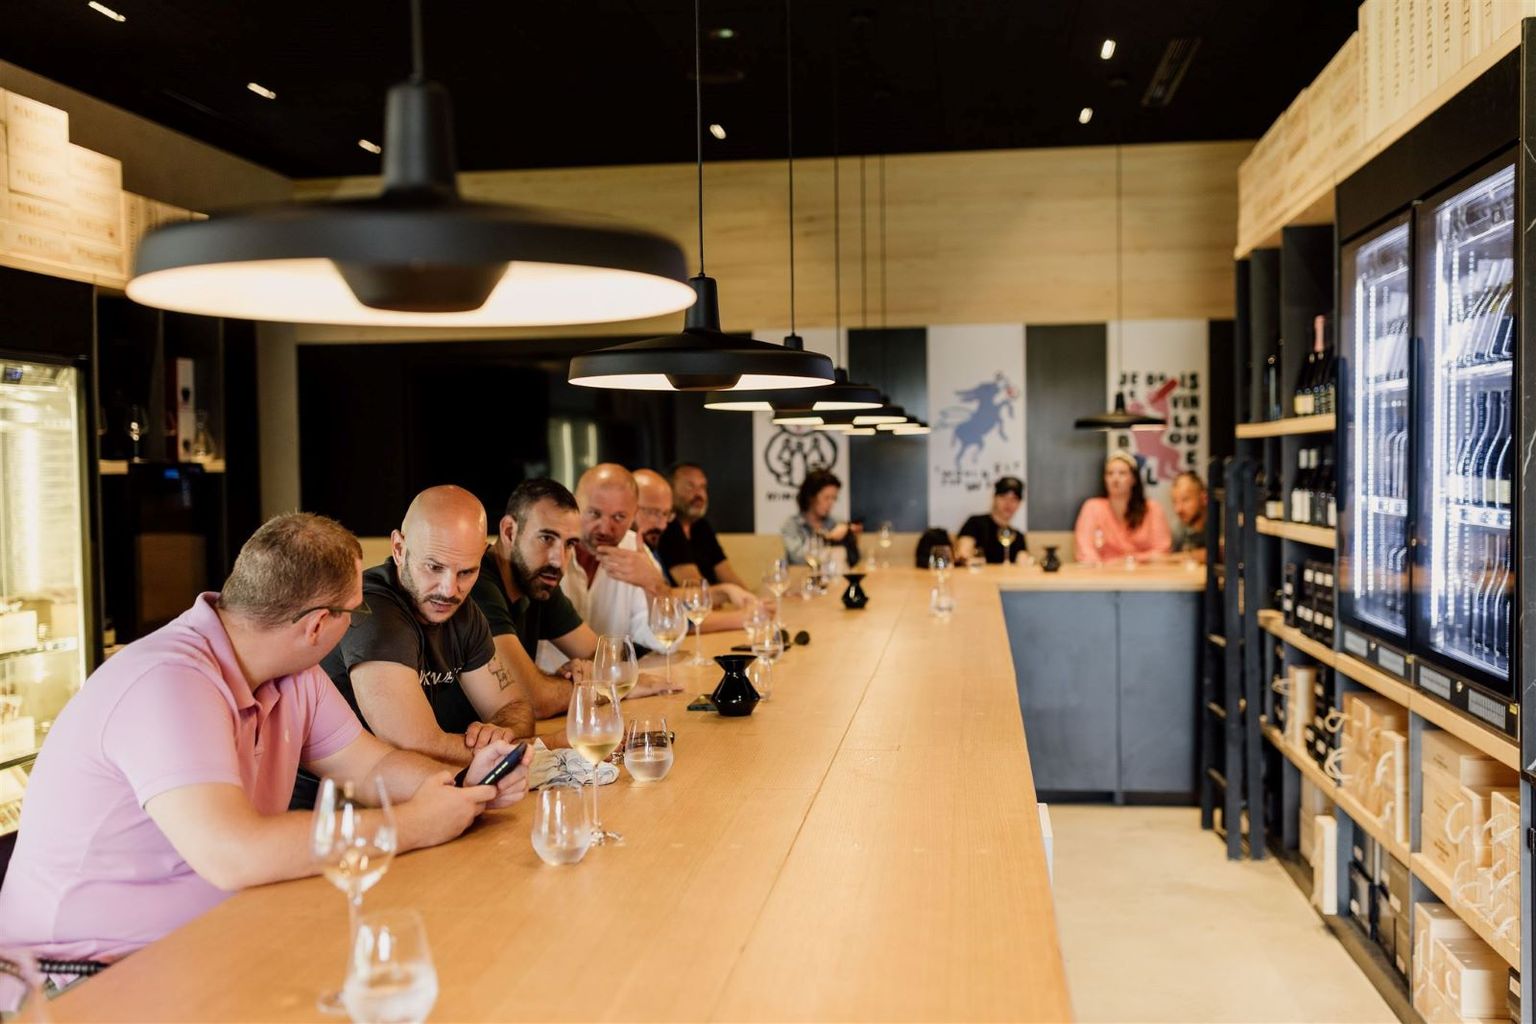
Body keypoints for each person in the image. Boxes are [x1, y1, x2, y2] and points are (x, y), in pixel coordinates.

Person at [0, 513, 528, 966]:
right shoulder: (168, 684)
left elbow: (370, 767)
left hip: (220, 938)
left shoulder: (294, 674)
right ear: (318, 625)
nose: (356, 621)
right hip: (84, 976)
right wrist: (412, 825)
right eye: (355, 610)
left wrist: (464, 785)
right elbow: (235, 854)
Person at [319, 486, 535, 777]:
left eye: (466, 572)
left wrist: (500, 731)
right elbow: (414, 745)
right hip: (333, 798)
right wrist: (515, 752)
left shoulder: (463, 612)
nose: (449, 590)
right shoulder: (371, 610)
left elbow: (516, 706)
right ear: (399, 549)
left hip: (413, 787)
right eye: (434, 567)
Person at [470, 478, 631, 720]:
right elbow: (533, 700)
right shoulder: (476, 583)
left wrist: (575, 679)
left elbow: (609, 660)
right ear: (509, 532)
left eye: (569, 544)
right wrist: (585, 684)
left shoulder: (537, 581)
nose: (559, 560)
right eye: (546, 538)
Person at [530, 464, 680, 686]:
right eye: (594, 513)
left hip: (612, 687)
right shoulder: (543, 553)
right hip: (549, 687)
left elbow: (666, 642)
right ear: (575, 505)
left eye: (619, 517)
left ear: (634, 515)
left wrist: (655, 585)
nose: (605, 528)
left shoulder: (634, 551)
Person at [633, 467, 758, 629]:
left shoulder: (699, 527)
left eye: (666, 514)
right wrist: (743, 617)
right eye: (652, 512)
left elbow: (666, 596)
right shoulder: (639, 543)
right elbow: (666, 614)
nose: (662, 525)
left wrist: (731, 592)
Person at [657, 462, 750, 590]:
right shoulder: (667, 527)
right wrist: (731, 593)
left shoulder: (701, 526)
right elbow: (694, 587)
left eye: (702, 487)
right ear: (670, 490)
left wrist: (751, 599)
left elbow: (728, 575)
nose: (699, 494)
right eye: (690, 486)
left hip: (713, 601)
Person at [1073, 451, 1173, 562]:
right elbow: (1084, 550)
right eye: (1110, 474)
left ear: (1134, 479)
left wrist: (1128, 560)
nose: (1115, 479)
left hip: (1145, 571)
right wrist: (1102, 567)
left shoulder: (1152, 508)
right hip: (1103, 571)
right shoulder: (1092, 507)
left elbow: (1162, 550)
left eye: (1122, 473)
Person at [780, 468, 862, 566]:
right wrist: (829, 538)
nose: (831, 503)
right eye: (826, 498)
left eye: (834, 498)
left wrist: (850, 538)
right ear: (811, 497)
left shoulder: (836, 522)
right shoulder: (793, 524)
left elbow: (853, 560)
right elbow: (798, 558)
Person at [956, 476, 1027, 564]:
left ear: (1019, 504)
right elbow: (963, 553)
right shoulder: (975, 523)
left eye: (1014, 499)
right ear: (994, 498)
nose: (1008, 503)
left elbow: (1024, 559)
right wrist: (968, 558)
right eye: (1003, 497)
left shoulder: (1018, 536)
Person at [1169, 470, 1209, 562]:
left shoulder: (1223, 521)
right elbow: (1169, 557)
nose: (1178, 509)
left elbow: (1223, 552)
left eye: (1185, 500)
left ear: (1204, 498)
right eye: (1174, 502)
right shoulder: (1178, 528)